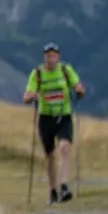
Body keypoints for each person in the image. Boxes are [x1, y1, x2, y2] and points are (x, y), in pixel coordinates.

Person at [23, 43, 85, 203]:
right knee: (50, 155)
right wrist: (32, 97)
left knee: (65, 147)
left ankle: (63, 185)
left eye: (53, 55)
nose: (50, 58)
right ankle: (53, 190)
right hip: (45, 118)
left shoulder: (65, 70)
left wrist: (79, 91)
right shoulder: (37, 73)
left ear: (58, 56)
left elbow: (78, 85)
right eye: (47, 55)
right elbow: (26, 96)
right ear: (44, 57)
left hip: (64, 116)